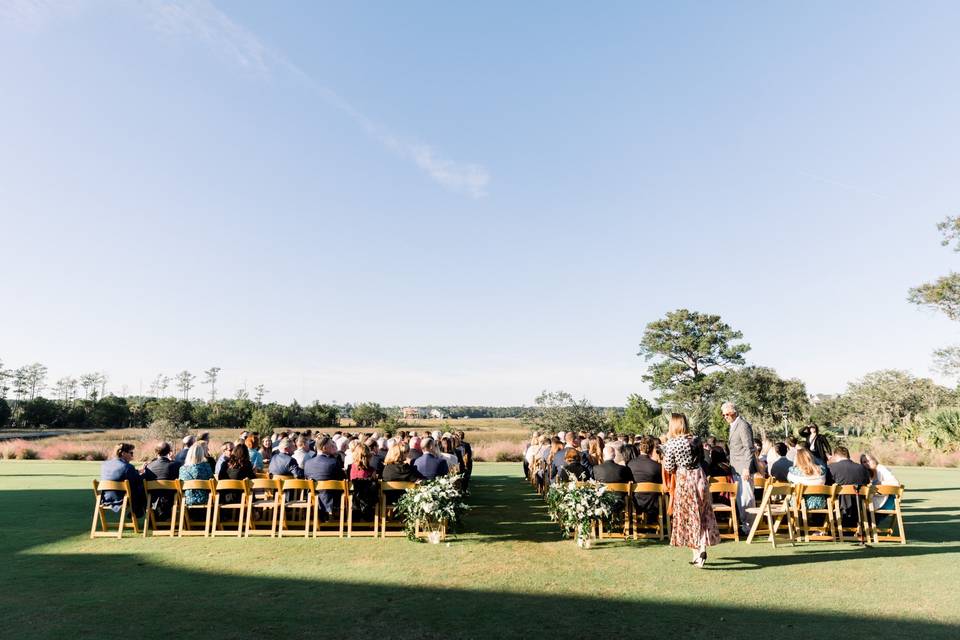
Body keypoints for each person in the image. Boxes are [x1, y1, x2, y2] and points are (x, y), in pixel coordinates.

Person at [662, 414, 720, 568]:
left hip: (684, 479)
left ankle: (697, 553)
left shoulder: (672, 443)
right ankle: (700, 550)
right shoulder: (696, 439)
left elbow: (668, 467)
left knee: (689, 516)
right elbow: (702, 459)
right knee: (703, 514)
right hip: (699, 477)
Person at [723, 401, 756, 535]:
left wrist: (747, 468)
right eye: (724, 415)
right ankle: (745, 526)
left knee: (747, 498)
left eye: (727, 414)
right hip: (736, 467)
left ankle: (750, 527)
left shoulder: (742, 425)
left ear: (734, 413)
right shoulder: (733, 426)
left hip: (743, 468)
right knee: (741, 498)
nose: (725, 417)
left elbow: (749, 448)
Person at [829, 446, 871, 527]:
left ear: (836, 456)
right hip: (859, 503)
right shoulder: (862, 468)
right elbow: (867, 483)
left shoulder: (832, 467)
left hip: (838, 503)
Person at [100, 442, 146, 517]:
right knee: (142, 487)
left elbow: (118, 475)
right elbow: (137, 481)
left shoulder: (105, 465)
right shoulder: (128, 467)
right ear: (123, 453)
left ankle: (138, 511)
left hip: (105, 498)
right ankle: (137, 511)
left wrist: (137, 471)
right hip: (121, 499)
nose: (132, 455)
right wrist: (144, 473)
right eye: (131, 453)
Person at [304, 436, 345, 520]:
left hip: (314, 496)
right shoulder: (334, 462)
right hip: (332, 497)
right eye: (331, 446)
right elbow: (342, 478)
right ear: (324, 448)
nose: (333, 447)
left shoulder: (308, 463)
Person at [142, 441, 181, 521]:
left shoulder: (149, 466)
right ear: (170, 452)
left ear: (156, 452)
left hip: (153, 500)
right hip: (171, 499)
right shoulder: (175, 465)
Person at [628, 436, 663, 521]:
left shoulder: (630, 464)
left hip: (635, 503)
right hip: (654, 504)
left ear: (640, 448)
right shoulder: (657, 466)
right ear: (651, 450)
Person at [178, 441, 214, 506]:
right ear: (201, 454)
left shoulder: (182, 469)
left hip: (187, 500)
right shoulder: (206, 466)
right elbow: (212, 482)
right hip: (206, 499)